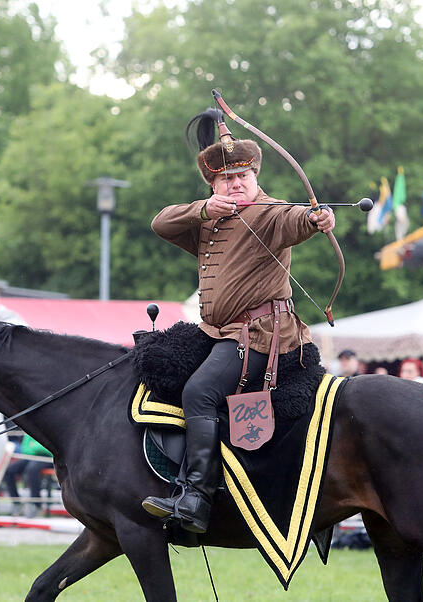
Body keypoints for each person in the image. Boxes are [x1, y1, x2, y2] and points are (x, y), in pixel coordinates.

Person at [140, 108, 335, 534]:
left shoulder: (270, 212)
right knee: (155, 368)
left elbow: (298, 219)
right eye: (226, 179)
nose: (236, 184)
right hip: (218, 332)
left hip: (261, 334)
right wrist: (204, 209)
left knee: (199, 393)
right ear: (214, 186)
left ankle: (196, 498)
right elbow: (160, 222)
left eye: (242, 176)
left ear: (255, 176)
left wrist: (318, 219)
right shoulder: (210, 218)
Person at [3, 434, 53, 518]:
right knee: (9, 471)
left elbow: (50, 449)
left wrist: (34, 447)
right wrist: (38, 447)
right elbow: (24, 449)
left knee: (32, 470)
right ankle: (16, 503)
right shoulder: (31, 428)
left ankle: (36, 505)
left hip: (48, 458)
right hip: (30, 457)